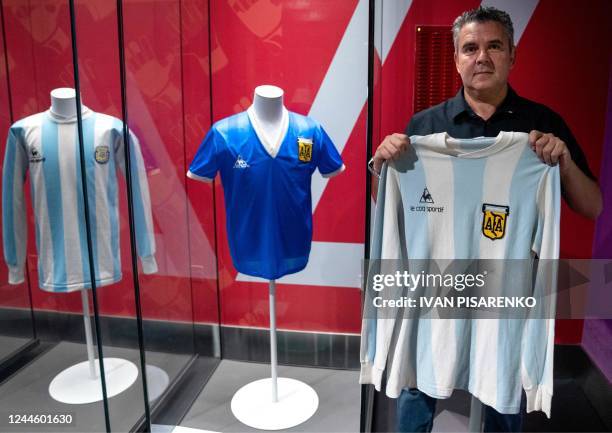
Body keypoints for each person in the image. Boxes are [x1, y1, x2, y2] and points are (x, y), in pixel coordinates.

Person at [368, 6, 602, 433]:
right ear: (456, 58)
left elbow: (593, 207)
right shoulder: (424, 128)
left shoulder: (543, 127)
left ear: (512, 55)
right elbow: (394, 210)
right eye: (470, 48)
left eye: (494, 46)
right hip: (437, 291)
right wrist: (383, 171)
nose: (482, 57)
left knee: (502, 394)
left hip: (505, 297)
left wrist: (564, 163)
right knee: (420, 387)